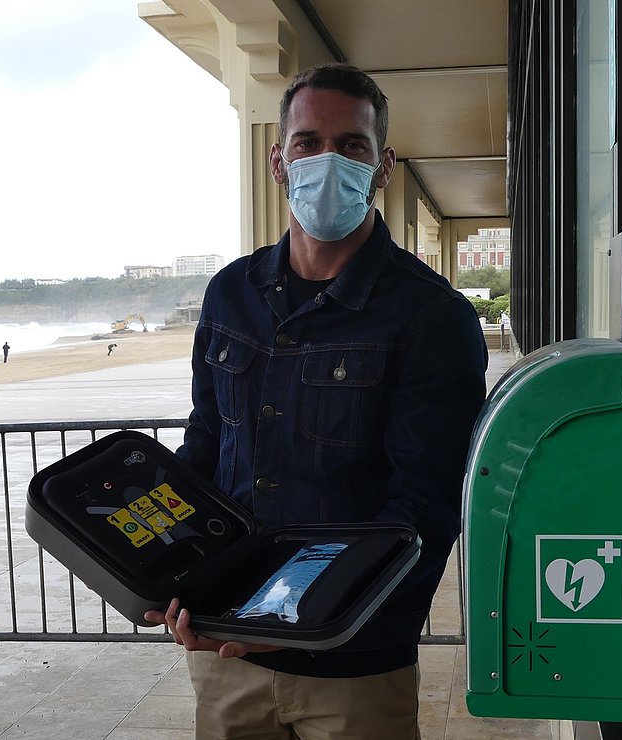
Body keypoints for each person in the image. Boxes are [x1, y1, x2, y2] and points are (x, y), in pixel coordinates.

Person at [144, 63, 488, 739]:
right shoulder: (229, 295)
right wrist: (165, 571)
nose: (327, 160)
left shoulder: (430, 316)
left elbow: (424, 507)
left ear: (383, 165)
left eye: (352, 145)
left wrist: (312, 620)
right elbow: (208, 446)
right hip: (226, 656)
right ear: (278, 160)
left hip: (355, 666)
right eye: (307, 142)